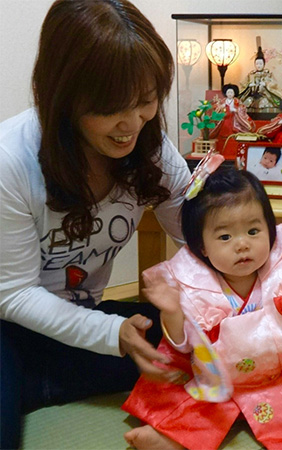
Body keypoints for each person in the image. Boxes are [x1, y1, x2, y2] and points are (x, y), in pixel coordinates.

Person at [0, 1, 192, 448]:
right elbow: (13, 294)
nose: (132, 125)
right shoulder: (11, 160)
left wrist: (279, 284)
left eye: (146, 102)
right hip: (7, 328)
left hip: (78, 322)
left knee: (216, 345)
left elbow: (198, 231)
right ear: (64, 97)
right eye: (111, 109)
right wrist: (111, 333)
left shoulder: (151, 147)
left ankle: (39, 384)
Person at [122, 158, 282, 450]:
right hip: (219, 377)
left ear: (271, 232)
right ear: (202, 247)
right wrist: (171, 311)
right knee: (191, 395)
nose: (242, 244)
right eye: (225, 236)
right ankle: (170, 437)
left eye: (253, 231)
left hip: (280, 373)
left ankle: (191, 430)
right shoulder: (195, 283)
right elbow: (183, 344)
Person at [209, 83, 255, 157]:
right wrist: (221, 107)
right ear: (225, 93)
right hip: (224, 118)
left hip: (234, 119)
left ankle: (232, 150)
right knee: (223, 131)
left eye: (231, 92)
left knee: (233, 133)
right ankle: (221, 149)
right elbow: (216, 107)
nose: (230, 94)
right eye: (228, 92)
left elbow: (242, 109)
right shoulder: (223, 101)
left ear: (234, 93)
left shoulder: (237, 101)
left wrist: (236, 110)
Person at [238, 43, 282, 113]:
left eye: (260, 64)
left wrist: (266, 84)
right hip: (252, 96)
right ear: (255, 64)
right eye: (257, 64)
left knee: (264, 102)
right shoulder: (251, 74)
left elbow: (274, 83)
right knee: (246, 103)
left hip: (265, 96)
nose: (258, 66)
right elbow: (242, 84)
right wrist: (249, 85)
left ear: (264, 64)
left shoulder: (268, 73)